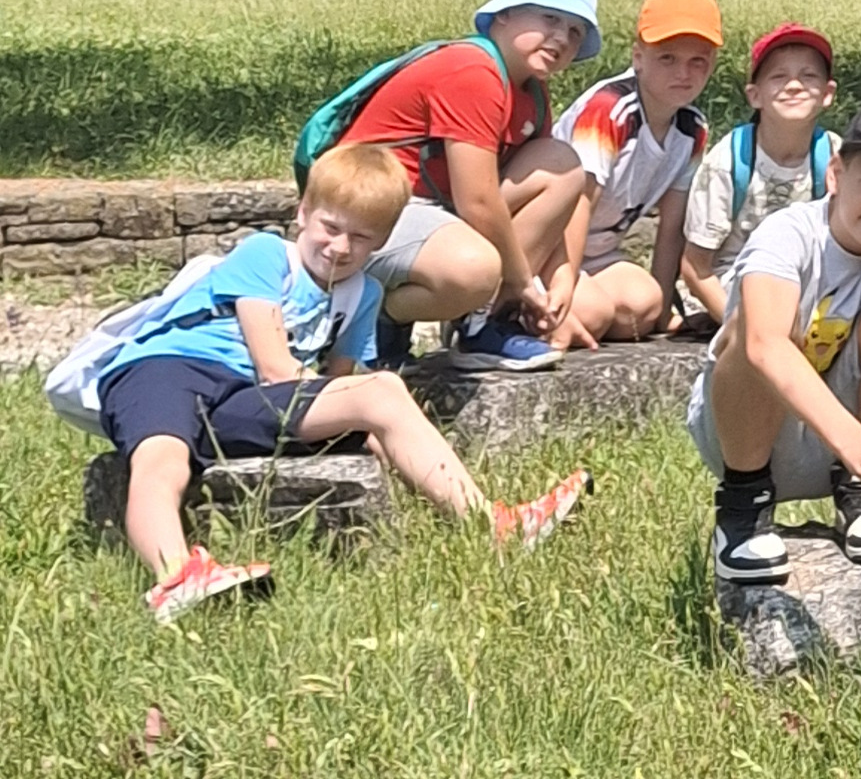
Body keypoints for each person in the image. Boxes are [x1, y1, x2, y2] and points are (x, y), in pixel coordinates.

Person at [94, 142, 592, 621]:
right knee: (163, 457)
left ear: (384, 240)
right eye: (330, 227)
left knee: (379, 398)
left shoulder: (363, 294)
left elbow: (337, 388)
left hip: (248, 400)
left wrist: (376, 433)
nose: (340, 247)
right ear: (303, 213)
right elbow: (276, 368)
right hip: (170, 368)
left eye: (361, 237)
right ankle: (176, 576)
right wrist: (360, 404)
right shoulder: (267, 255)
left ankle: (491, 526)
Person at [694, 94, 861, 584]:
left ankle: (860, 492)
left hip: (856, 444)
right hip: (745, 432)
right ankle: (743, 505)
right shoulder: (788, 233)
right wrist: (854, 440)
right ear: (836, 174)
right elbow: (764, 345)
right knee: (757, 324)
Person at [323, 0, 608, 364]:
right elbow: (477, 201)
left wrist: (561, 274)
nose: (562, 38)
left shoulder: (531, 91)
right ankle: (373, 316)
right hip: (371, 212)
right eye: (550, 18)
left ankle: (485, 322)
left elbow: (547, 199)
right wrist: (524, 282)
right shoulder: (472, 70)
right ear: (504, 15)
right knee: (473, 269)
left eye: (576, 31)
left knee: (561, 166)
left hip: (432, 211)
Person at [542, 0, 722, 348]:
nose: (683, 73)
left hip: (599, 253)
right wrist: (567, 281)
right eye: (667, 58)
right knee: (592, 312)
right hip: (550, 245)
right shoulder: (609, 110)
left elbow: (672, 222)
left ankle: (577, 309)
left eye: (697, 61)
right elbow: (579, 203)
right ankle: (520, 304)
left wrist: (665, 308)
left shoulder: (693, 129)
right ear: (638, 57)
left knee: (645, 305)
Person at [680, 22, 838, 328]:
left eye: (808, 76)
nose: (794, 85)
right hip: (737, 282)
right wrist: (736, 329)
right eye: (779, 77)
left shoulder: (835, 157)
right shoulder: (728, 161)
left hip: (806, 280)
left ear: (827, 93)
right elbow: (695, 267)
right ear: (755, 96)